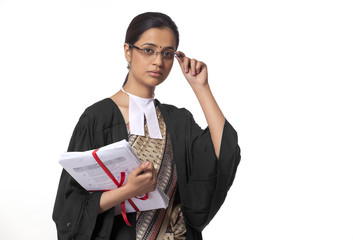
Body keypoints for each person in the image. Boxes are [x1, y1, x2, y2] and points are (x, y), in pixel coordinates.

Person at [53, 12, 241, 240]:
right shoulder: (97, 118)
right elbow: (69, 209)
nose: (159, 61)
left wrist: (201, 88)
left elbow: (224, 153)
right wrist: (128, 191)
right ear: (128, 51)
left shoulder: (178, 120)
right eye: (148, 50)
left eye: (167, 54)